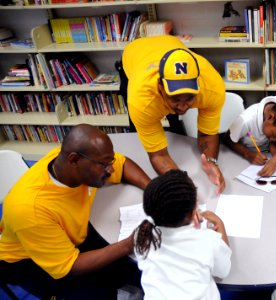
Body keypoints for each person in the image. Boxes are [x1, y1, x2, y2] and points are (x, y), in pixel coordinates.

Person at [0, 124, 151, 299]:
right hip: (29, 260)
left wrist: (153, 189)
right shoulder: (30, 209)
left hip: (69, 234)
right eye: (104, 165)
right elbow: (70, 267)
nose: (110, 169)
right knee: (98, 292)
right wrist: (127, 244)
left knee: (125, 266)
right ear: (74, 160)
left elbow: (122, 163)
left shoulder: (71, 163)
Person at [122, 35, 226, 194]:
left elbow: (207, 135)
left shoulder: (212, 88)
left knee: (175, 123)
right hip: (135, 54)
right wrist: (181, 184)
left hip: (171, 46)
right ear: (160, 88)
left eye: (190, 98)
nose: (183, 106)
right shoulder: (142, 99)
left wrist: (211, 162)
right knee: (139, 131)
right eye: (175, 98)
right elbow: (158, 155)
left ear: (198, 86)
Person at [134, 169, 231, 300]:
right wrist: (221, 225)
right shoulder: (208, 240)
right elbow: (223, 271)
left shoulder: (142, 234)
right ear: (193, 211)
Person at [224, 95, 276, 176]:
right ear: (270, 117)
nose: (273, 140)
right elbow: (227, 139)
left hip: (263, 151)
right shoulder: (246, 120)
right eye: (274, 135)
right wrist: (248, 154)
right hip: (237, 157)